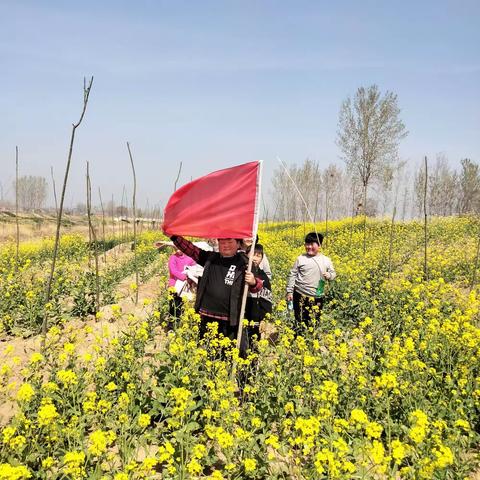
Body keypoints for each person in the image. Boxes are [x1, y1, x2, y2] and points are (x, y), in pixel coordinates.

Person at [169, 235, 264, 342]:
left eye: (229, 242)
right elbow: (191, 250)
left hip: (230, 319)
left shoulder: (245, 262)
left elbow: (258, 286)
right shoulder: (211, 258)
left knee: (226, 351)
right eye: (222, 243)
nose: (225, 245)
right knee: (205, 348)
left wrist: (253, 282)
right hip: (206, 314)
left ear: (238, 244)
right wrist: (174, 237)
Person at [286, 232, 336, 333]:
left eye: (312, 244)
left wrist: (329, 275)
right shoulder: (301, 259)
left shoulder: (326, 260)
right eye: (307, 244)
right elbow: (292, 275)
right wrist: (289, 291)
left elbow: (333, 273)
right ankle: (299, 338)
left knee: (314, 320)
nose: (308, 247)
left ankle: (311, 340)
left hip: (317, 295)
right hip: (300, 294)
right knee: (299, 319)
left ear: (319, 245)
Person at [245, 244, 272, 350]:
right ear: (246, 255)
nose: (255, 258)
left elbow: (266, 299)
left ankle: (253, 364)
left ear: (262, 259)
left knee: (253, 343)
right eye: (252, 254)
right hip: (240, 316)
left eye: (258, 256)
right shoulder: (240, 272)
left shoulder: (263, 277)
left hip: (255, 316)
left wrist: (265, 318)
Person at [167, 248, 196, 325]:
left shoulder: (189, 258)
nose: (177, 251)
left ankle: (179, 325)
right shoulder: (173, 257)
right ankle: (171, 327)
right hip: (174, 286)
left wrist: (190, 277)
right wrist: (184, 277)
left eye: (179, 249)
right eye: (175, 249)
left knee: (182, 307)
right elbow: (173, 270)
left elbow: (194, 268)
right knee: (173, 307)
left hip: (184, 287)